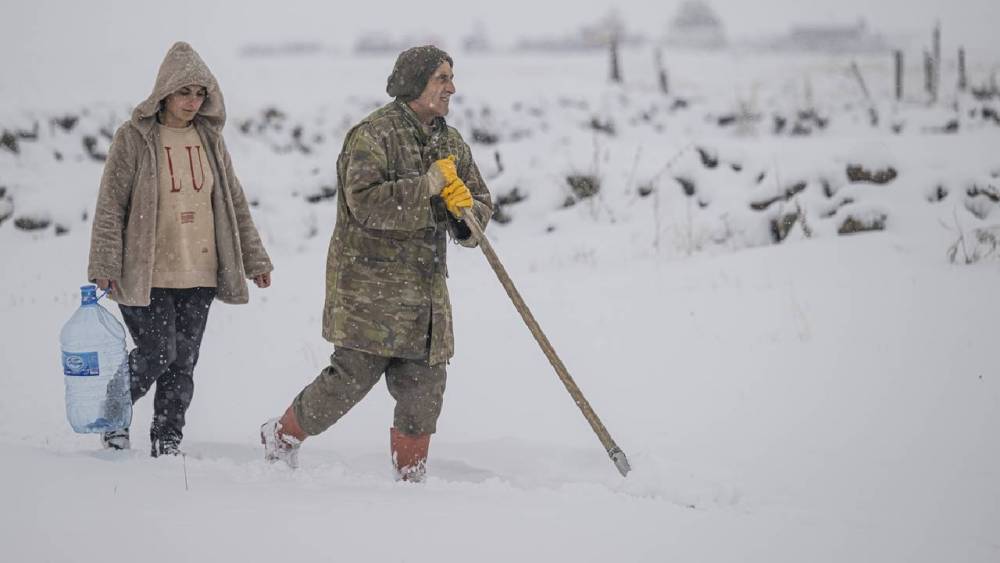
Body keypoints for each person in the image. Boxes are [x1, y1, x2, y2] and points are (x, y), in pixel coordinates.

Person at [260, 45, 492, 481]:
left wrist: (465, 216)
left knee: (424, 393)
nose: (451, 87)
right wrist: (426, 188)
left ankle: (410, 481)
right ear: (415, 83)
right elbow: (365, 204)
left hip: (425, 297)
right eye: (442, 78)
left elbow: (480, 201)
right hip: (370, 293)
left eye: (451, 77)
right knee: (346, 384)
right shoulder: (372, 136)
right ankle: (281, 436)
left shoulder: (450, 141)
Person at [87, 42, 273, 457]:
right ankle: (113, 414)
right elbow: (110, 204)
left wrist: (254, 259)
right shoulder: (134, 138)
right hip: (145, 270)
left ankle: (167, 438)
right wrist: (104, 261)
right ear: (165, 92)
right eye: (184, 92)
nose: (192, 102)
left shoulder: (209, 139)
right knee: (157, 353)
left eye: (200, 93)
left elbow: (233, 202)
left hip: (199, 270)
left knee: (183, 362)